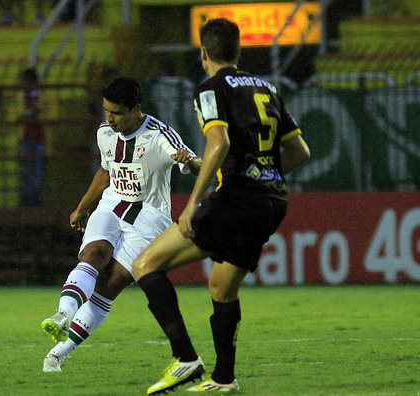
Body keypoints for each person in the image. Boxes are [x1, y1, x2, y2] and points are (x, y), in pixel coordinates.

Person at [132, 18, 311, 394]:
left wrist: (192, 203)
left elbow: (219, 142)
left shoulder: (211, 87)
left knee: (145, 264)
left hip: (236, 200)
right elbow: (299, 151)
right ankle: (224, 378)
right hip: (272, 201)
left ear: (203, 53)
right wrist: (264, 176)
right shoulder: (268, 87)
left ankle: (184, 358)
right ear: (238, 50)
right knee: (222, 289)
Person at [40, 77, 202, 373]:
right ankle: (63, 314)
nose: (109, 119)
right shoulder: (105, 133)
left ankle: (58, 354)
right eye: (106, 111)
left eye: (115, 113)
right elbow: (105, 172)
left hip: (149, 218)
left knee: (109, 286)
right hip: (112, 205)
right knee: (95, 254)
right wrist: (82, 206)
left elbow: (198, 165)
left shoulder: (160, 136)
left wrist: (189, 162)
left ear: (136, 109)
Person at [18, 68, 46, 206]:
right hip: (27, 137)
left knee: (36, 171)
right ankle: (32, 199)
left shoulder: (42, 95)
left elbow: (41, 113)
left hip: (39, 137)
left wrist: (28, 115)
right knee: (29, 171)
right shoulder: (23, 96)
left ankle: (33, 199)